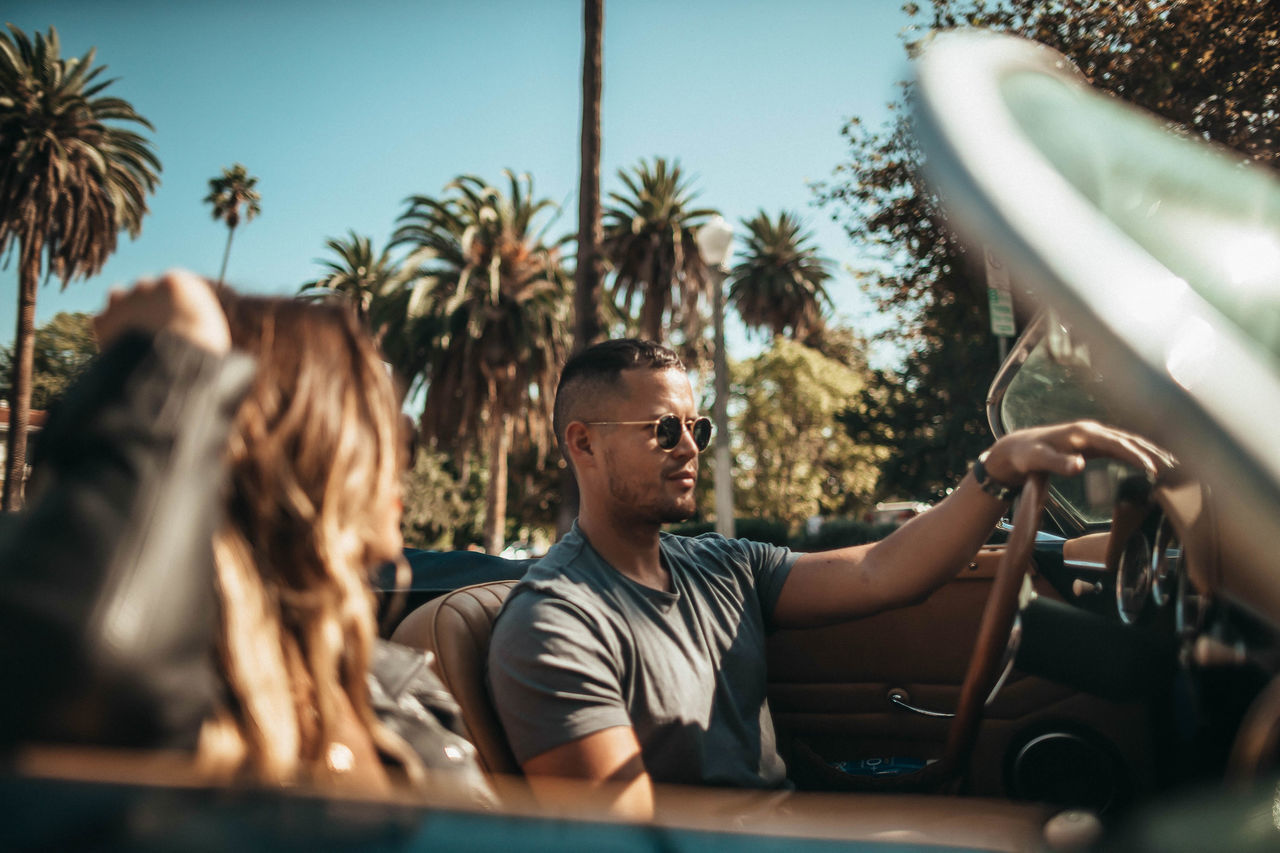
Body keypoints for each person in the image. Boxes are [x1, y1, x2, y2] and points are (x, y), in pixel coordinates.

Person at [487, 338, 1170, 818]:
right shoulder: (555, 621)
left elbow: (881, 570)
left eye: (698, 425)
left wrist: (995, 469)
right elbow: (618, 833)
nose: (692, 445)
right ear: (582, 442)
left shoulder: (723, 565)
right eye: (664, 429)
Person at [1, 271, 490, 801]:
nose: (400, 485)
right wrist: (177, 363)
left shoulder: (398, 691)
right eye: (384, 449)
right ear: (312, 470)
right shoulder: (140, 700)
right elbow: (85, 666)